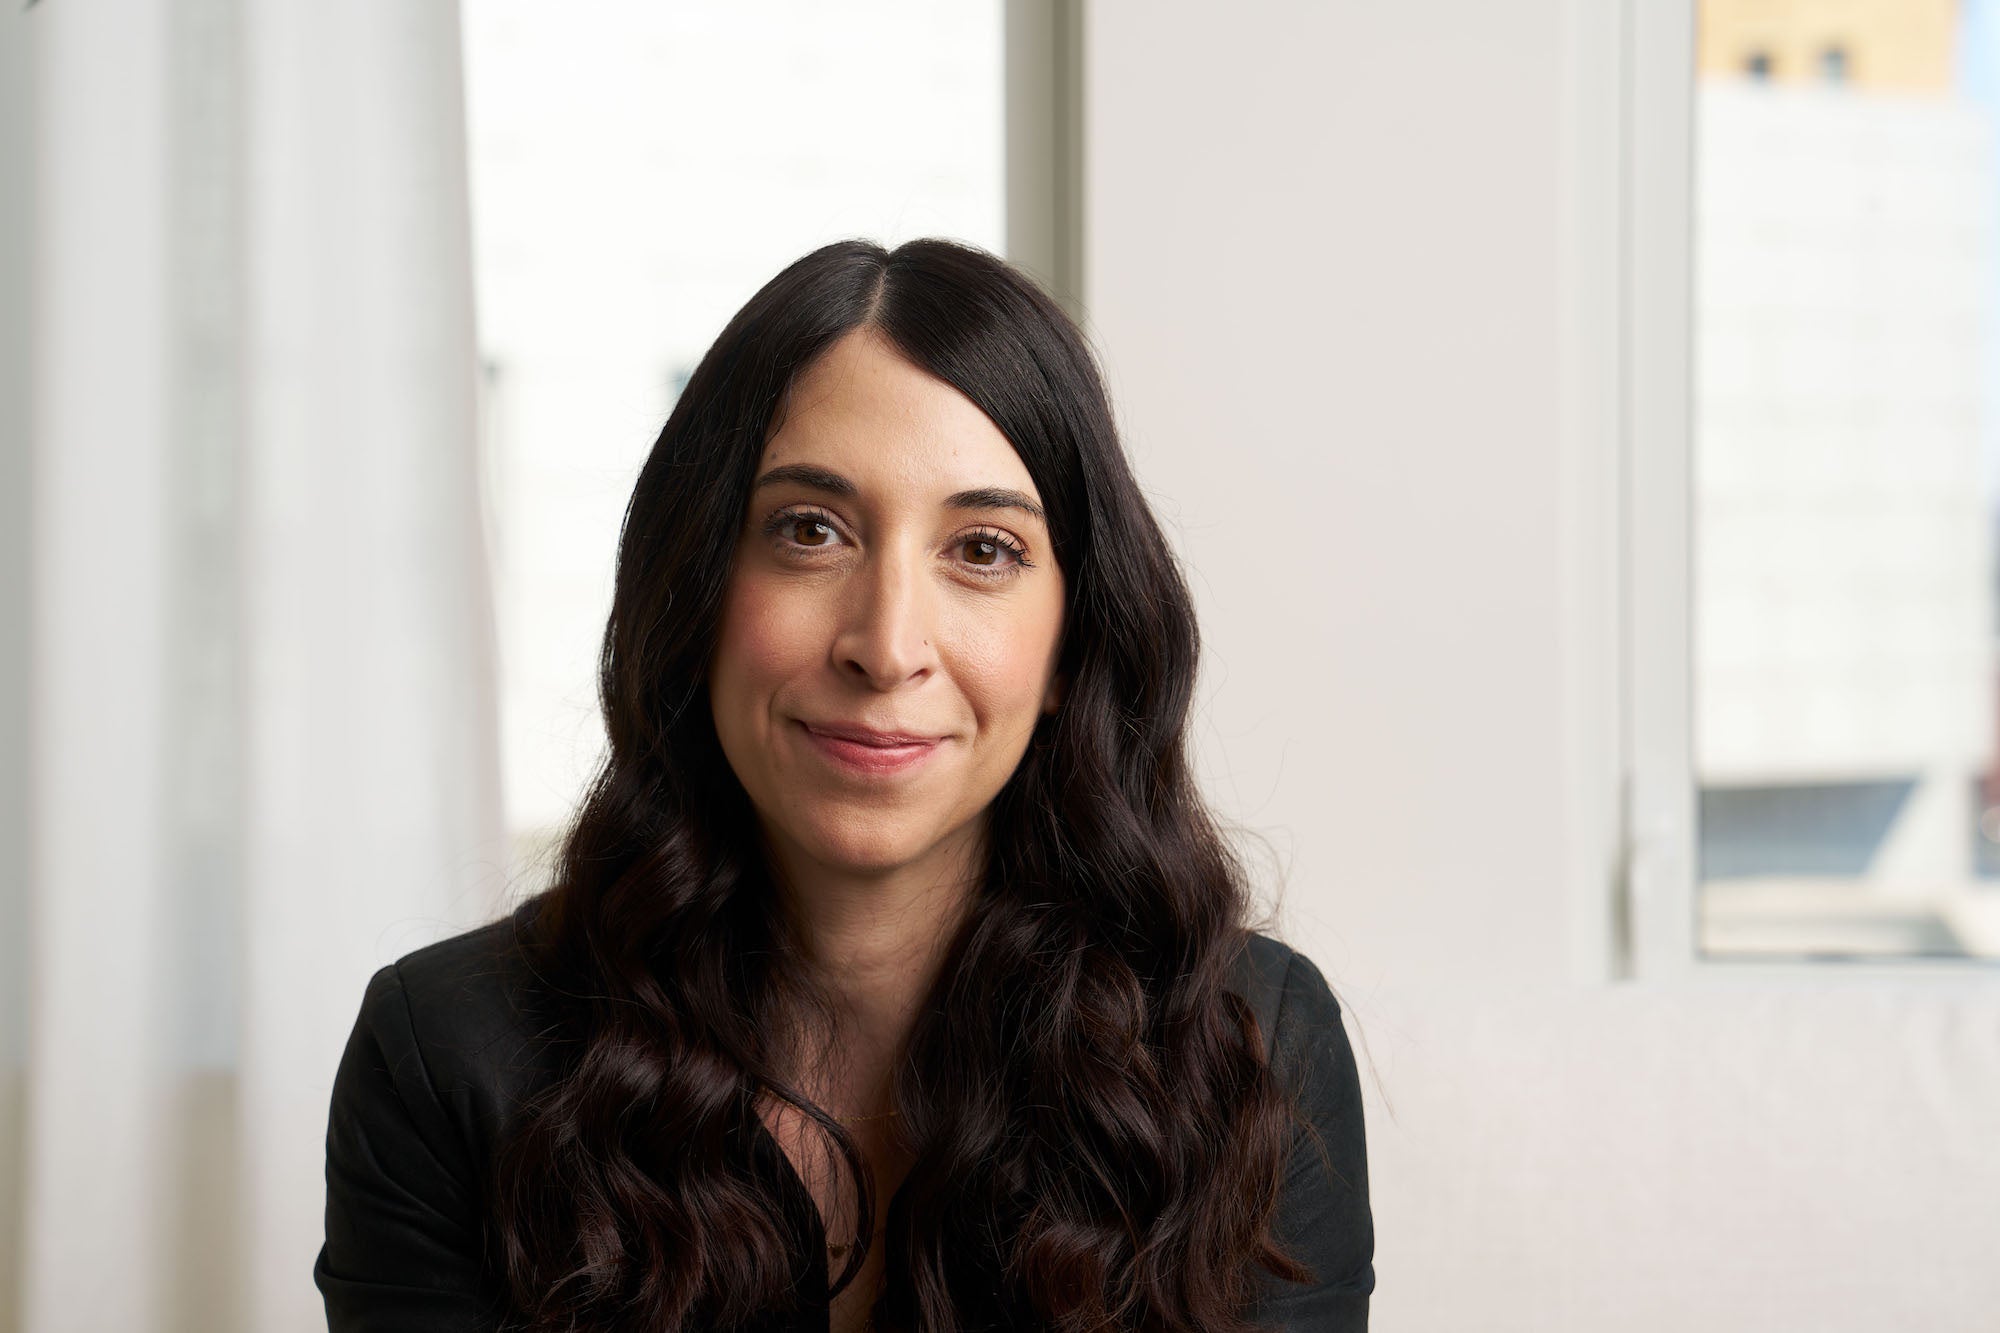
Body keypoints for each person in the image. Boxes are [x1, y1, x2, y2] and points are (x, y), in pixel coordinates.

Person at [313, 237, 1374, 1332]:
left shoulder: (1249, 1048)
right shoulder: (446, 1057)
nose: (885, 643)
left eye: (983, 549)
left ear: (1069, 644)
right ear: (699, 593)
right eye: (808, 531)